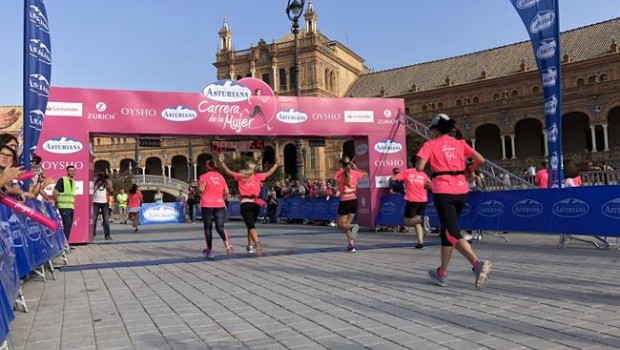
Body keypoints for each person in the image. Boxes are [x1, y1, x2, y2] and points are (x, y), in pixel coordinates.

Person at [416, 113, 492, 290]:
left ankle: (476, 263)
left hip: (443, 190)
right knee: (447, 231)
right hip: (461, 190)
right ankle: (442, 273)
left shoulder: (430, 145)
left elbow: (419, 167)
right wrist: (468, 169)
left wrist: (430, 170)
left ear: (435, 129)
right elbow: (480, 159)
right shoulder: (459, 143)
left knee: (451, 232)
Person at [219, 153, 282, 255]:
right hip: (255, 204)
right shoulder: (257, 176)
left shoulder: (240, 176)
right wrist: (276, 164)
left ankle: (256, 242)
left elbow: (228, 172)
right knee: (250, 225)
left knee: (250, 225)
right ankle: (249, 246)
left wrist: (222, 163)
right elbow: (269, 173)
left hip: (245, 203)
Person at [390, 157, 431, 249]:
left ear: (412, 164)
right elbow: (429, 184)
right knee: (416, 223)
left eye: (409, 161)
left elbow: (394, 178)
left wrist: (391, 179)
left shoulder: (407, 172)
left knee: (407, 222)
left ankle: (421, 221)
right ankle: (420, 243)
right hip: (423, 200)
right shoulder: (423, 174)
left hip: (412, 200)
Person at [332, 156, 368, 253]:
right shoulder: (355, 173)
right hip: (354, 201)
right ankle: (351, 245)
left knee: (340, 225)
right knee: (346, 224)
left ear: (341, 164)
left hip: (345, 201)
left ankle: (353, 227)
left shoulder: (338, 174)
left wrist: (335, 190)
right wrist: (356, 168)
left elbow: (333, 188)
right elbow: (366, 174)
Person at [198, 159, 233, 257]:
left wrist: (200, 186)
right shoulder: (220, 177)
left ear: (208, 166)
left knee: (208, 228)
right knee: (220, 226)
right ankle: (227, 244)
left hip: (207, 204)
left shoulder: (204, 176)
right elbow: (226, 191)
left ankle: (209, 250)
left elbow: (201, 189)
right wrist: (220, 195)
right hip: (219, 204)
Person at [53, 165, 77, 241]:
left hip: (70, 207)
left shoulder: (73, 182)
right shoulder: (62, 180)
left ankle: (65, 242)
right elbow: (55, 191)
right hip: (63, 206)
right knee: (67, 224)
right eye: (70, 171)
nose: (72, 172)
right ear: (67, 171)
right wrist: (57, 202)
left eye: (73, 171)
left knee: (68, 225)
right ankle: (64, 243)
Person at [93, 173, 113, 240]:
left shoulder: (107, 182)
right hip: (95, 202)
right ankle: (92, 234)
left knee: (106, 220)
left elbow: (111, 190)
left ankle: (107, 235)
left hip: (104, 202)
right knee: (94, 219)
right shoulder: (95, 182)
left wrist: (108, 185)